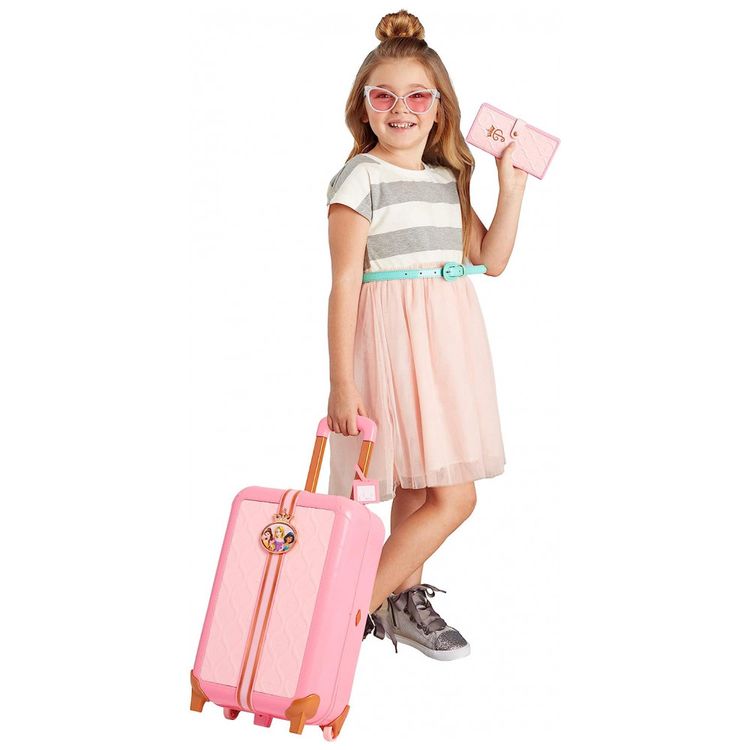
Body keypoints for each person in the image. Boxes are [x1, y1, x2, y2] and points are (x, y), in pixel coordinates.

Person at [325, 10, 528, 660]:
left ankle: (402, 599)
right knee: (454, 498)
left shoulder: (447, 180)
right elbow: (344, 284)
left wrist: (511, 187)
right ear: (364, 105)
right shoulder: (359, 178)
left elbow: (491, 260)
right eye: (383, 96)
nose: (401, 110)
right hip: (391, 341)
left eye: (417, 96)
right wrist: (341, 383)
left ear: (439, 108)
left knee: (422, 485)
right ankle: (344, 613)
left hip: (446, 343)